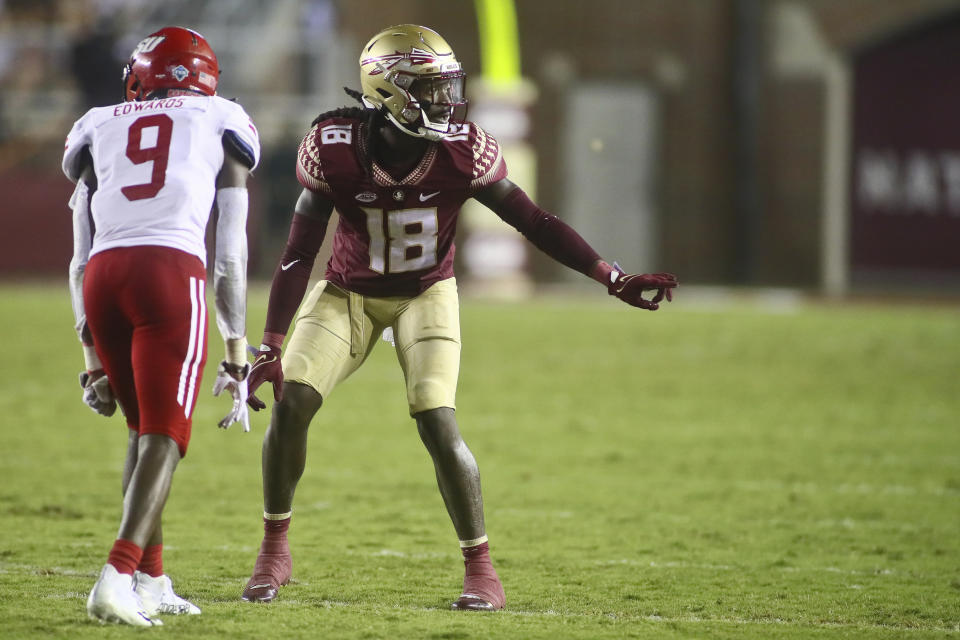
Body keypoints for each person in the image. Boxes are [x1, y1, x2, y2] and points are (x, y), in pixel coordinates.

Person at [239, 24, 677, 612]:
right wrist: (270, 342)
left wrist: (610, 276)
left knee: (436, 418)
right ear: (388, 92)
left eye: (447, 86)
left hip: (426, 293)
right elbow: (297, 250)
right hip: (347, 293)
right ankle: (273, 550)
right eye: (430, 88)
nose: (446, 101)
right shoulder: (334, 143)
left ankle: (481, 568)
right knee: (293, 401)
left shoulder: (462, 147)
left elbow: (534, 221)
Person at [63, 26, 260, 626]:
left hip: (103, 276)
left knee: (141, 426)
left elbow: (77, 256)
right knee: (167, 433)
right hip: (171, 272)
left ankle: (151, 578)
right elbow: (229, 254)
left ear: (141, 75)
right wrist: (236, 345)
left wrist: (92, 356)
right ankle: (117, 574)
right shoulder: (222, 117)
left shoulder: (97, 122)